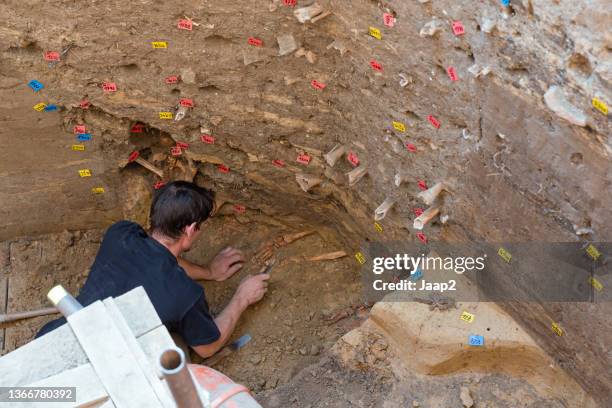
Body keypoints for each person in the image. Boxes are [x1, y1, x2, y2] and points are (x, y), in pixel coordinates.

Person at [36, 181, 270, 358]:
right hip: (103, 373)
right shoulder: (185, 294)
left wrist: (209, 272)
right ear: (189, 230)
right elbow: (207, 347)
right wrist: (242, 297)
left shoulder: (120, 233)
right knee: (179, 351)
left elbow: (159, 256)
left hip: (51, 342)